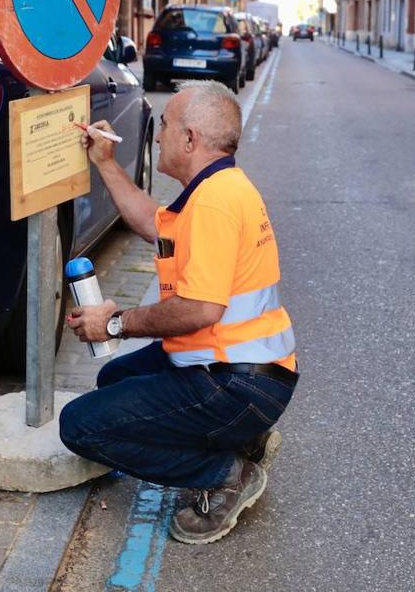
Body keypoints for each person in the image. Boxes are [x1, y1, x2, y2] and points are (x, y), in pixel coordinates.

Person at [60, 80, 298, 545]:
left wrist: (114, 322)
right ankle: (239, 436)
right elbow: (151, 221)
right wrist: (105, 164)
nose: (156, 134)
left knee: (80, 426)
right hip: (247, 371)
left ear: (190, 139)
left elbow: (199, 309)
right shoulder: (215, 188)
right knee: (113, 383)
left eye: (165, 125)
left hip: (235, 381)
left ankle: (225, 472)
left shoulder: (214, 203)